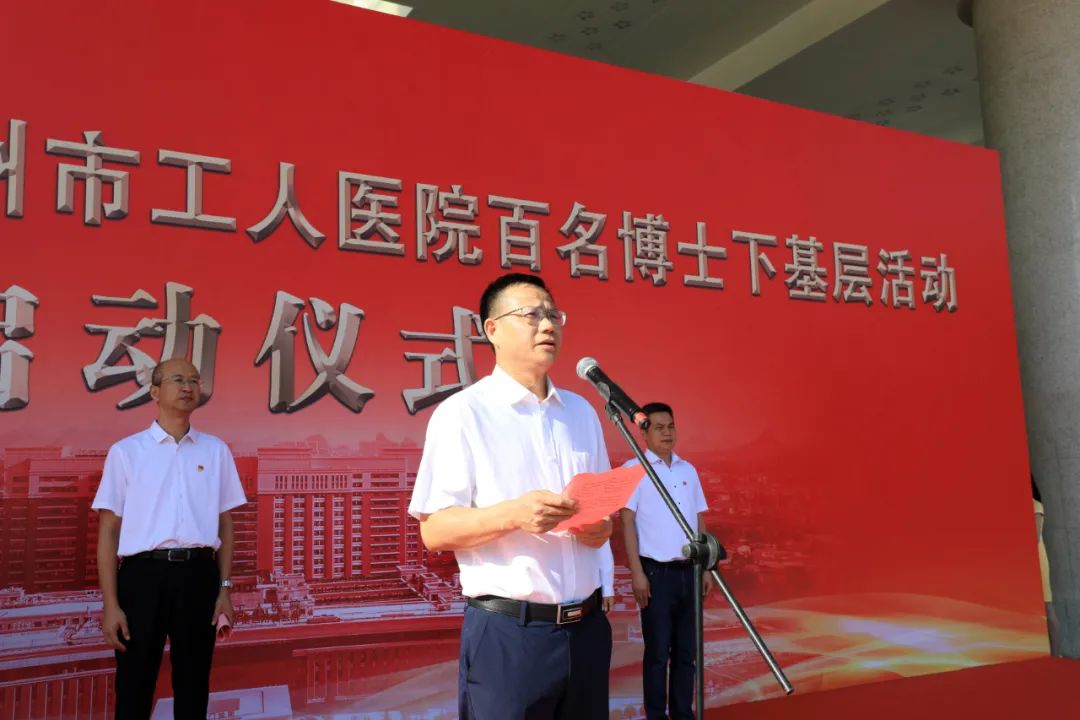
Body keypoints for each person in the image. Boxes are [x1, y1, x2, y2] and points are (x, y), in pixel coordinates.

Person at [409, 273, 615, 719]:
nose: (548, 325)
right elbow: (435, 530)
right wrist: (515, 514)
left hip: (587, 630)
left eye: (553, 314)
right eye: (531, 315)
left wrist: (600, 528)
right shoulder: (463, 414)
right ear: (492, 330)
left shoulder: (581, 412)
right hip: (509, 635)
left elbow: (602, 514)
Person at [92, 358, 247, 719]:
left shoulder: (215, 451)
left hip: (198, 575)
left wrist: (224, 589)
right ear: (155, 391)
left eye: (194, 380)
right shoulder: (126, 452)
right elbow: (108, 531)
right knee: (134, 684)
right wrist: (111, 604)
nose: (188, 387)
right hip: (142, 577)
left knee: (194, 685)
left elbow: (225, 525)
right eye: (178, 379)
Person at [620, 403, 712, 720]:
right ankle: (656, 715)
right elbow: (627, 523)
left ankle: (683, 713)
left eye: (670, 426)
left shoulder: (688, 470)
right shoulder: (634, 470)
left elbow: (699, 519)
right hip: (656, 574)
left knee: (687, 652)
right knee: (658, 653)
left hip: (690, 571)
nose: (667, 433)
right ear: (643, 433)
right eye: (658, 427)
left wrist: (706, 566)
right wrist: (637, 573)